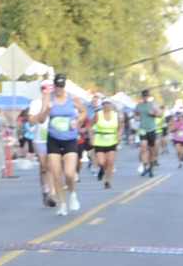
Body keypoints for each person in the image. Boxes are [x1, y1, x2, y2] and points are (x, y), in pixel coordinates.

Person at [33, 74, 83, 215]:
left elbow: (83, 111)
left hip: (69, 139)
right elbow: (41, 119)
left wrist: (78, 121)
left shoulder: (72, 97)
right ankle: (62, 204)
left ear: (64, 86)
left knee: (69, 173)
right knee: (56, 174)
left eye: (62, 86)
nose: (59, 89)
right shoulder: (48, 97)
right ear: (54, 85)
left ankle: (71, 194)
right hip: (53, 139)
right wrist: (47, 110)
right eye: (58, 86)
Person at [91, 92, 123, 185]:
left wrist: (119, 134)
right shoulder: (98, 114)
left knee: (110, 161)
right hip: (99, 140)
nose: (107, 105)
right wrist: (91, 136)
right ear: (102, 105)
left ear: (111, 105)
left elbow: (120, 127)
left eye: (108, 104)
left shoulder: (116, 115)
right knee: (101, 162)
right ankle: (102, 168)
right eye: (105, 104)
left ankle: (107, 180)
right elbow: (89, 125)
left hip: (112, 139)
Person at [137, 89, 161, 177]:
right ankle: (144, 167)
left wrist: (153, 113)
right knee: (143, 147)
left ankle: (151, 167)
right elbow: (135, 113)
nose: (145, 97)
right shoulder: (139, 105)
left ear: (149, 96)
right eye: (144, 95)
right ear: (142, 96)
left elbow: (160, 114)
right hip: (142, 129)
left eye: (146, 95)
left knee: (152, 149)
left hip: (151, 129)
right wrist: (136, 117)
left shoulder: (153, 104)